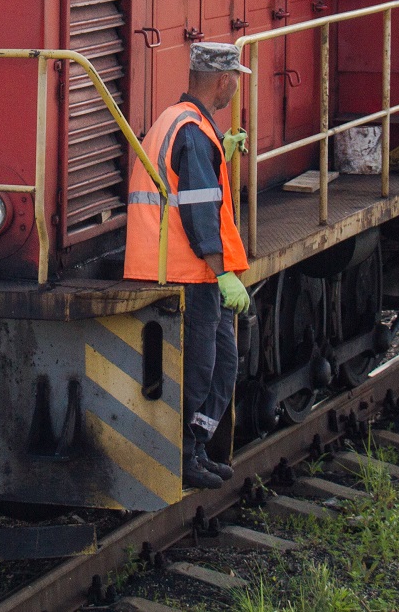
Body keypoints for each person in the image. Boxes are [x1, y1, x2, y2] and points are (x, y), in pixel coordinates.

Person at [123, 42, 253, 490]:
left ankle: (195, 447)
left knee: (222, 364)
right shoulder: (193, 132)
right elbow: (199, 211)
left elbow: (180, 181)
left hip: (179, 266)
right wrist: (222, 274)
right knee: (200, 368)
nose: (237, 86)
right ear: (222, 80)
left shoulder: (179, 121)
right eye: (235, 77)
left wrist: (222, 151)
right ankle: (182, 455)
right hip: (186, 270)